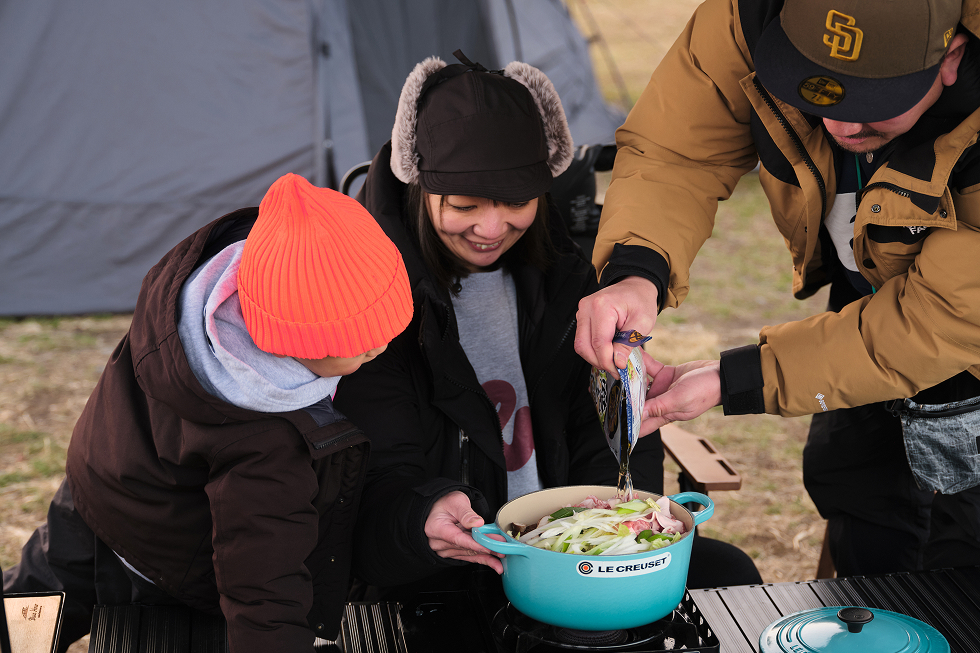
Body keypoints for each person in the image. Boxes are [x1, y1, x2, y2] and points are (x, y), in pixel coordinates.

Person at [332, 51, 761, 612]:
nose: (492, 229)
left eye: (516, 203)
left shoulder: (568, 283)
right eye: (464, 206)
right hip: (450, 569)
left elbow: (607, 430)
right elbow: (374, 486)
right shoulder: (372, 305)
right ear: (420, 189)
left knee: (729, 572)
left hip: (575, 558)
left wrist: (619, 524)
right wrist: (423, 518)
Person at [574, 0, 980, 577]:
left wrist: (739, 378)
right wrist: (638, 269)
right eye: (818, 92)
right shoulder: (748, 16)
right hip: (863, 306)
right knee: (854, 481)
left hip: (958, 320)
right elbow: (679, 149)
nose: (841, 128)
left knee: (963, 556)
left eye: (872, 104)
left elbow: (938, 320)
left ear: (952, 58)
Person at [2, 173, 414, 652]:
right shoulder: (266, 438)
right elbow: (265, 584)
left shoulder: (197, 290)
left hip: (96, 487)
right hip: (156, 553)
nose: (380, 346)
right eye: (360, 346)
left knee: (30, 607)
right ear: (297, 343)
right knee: (84, 629)